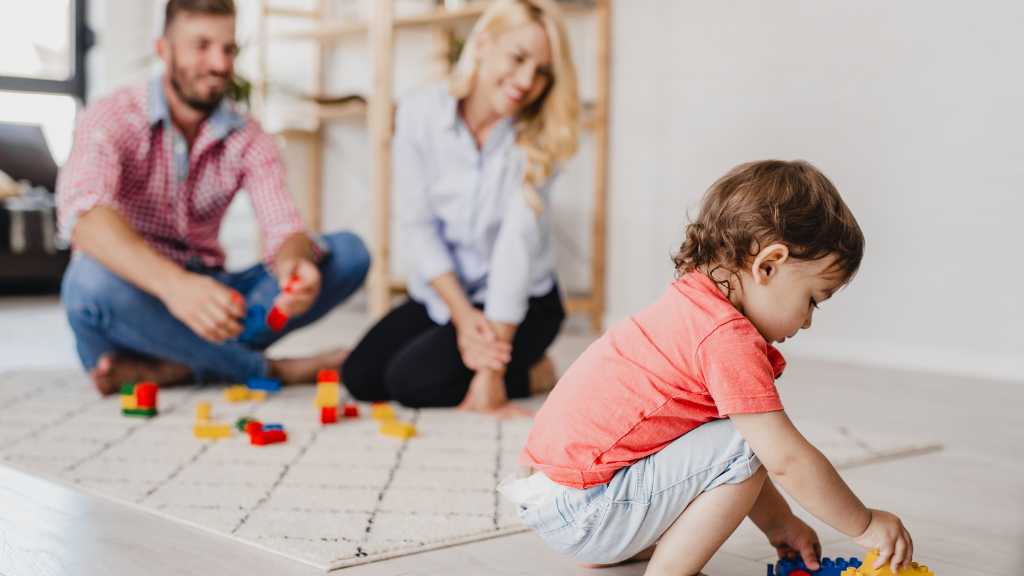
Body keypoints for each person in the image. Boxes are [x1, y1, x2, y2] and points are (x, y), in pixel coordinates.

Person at [502, 161, 916, 575]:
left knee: (735, 440)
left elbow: (719, 457)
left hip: (553, 496)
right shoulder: (726, 338)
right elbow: (783, 459)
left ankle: (626, 543)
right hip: (585, 509)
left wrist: (781, 526)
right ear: (768, 265)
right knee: (753, 441)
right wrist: (863, 524)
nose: (807, 320)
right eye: (812, 299)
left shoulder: (690, 304)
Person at [57, 0, 369, 395]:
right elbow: (83, 214)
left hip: (217, 301)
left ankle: (177, 367)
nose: (219, 63)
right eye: (201, 46)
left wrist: (295, 265)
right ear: (163, 50)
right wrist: (175, 287)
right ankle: (268, 370)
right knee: (88, 282)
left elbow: (284, 228)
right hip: (136, 305)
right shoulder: (112, 116)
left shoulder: (248, 136)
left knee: (348, 253)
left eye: (228, 48)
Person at [341, 0, 578, 416]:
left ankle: (535, 371)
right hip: (449, 294)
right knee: (360, 378)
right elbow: (419, 227)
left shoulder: (540, 139)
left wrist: (492, 377)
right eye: (519, 58)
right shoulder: (419, 113)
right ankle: (480, 347)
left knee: (410, 382)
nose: (526, 81)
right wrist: (463, 317)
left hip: (522, 302)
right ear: (483, 43)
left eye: (542, 72)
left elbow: (514, 250)